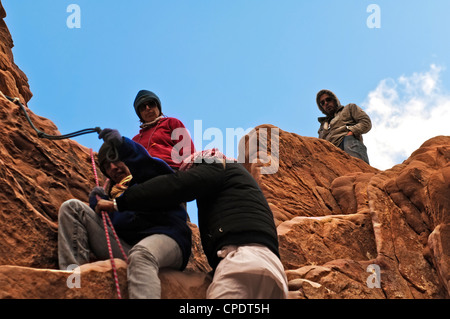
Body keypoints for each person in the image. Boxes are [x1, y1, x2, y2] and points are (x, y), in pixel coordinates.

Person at [96, 130, 289, 299]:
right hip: (271, 266)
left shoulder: (215, 165)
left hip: (242, 259)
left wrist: (119, 202)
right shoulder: (236, 180)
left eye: (189, 169)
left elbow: (177, 186)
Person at [57, 129, 192, 299]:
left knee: (141, 254)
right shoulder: (112, 197)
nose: (113, 167)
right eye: (106, 166)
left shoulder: (149, 176)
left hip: (168, 240)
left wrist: (123, 145)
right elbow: (119, 224)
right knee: (72, 208)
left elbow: (148, 167)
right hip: (129, 247)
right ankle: (74, 284)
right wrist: (97, 203)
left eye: (116, 160)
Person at [132, 90, 195, 170]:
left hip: (170, 169)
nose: (147, 108)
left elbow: (188, 151)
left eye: (151, 104)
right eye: (142, 107)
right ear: (140, 114)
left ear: (158, 107)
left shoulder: (171, 122)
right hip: (145, 175)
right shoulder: (135, 140)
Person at [316, 89, 372, 164]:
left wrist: (351, 132)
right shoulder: (322, 126)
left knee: (358, 169)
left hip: (347, 142)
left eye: (328, 99)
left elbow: (366, 122)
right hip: (331, 153)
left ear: (334, 100)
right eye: (322, 103)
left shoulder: (349, 108)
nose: (326, 103)